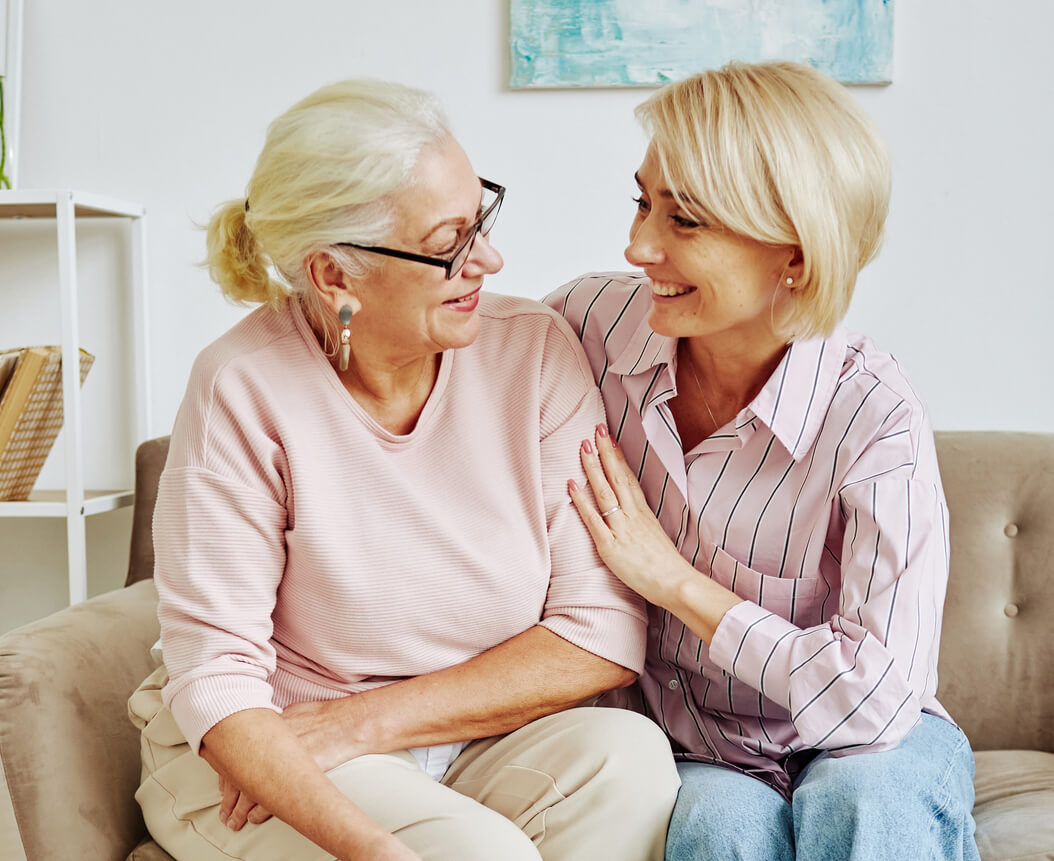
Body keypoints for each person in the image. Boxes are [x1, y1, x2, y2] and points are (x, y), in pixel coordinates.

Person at [128, 79, 680, 861]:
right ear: (334, 275)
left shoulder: (533, 352)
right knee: (479, 853)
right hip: (265, 754)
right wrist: (372, 849)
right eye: (448, 241)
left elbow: (599, 632)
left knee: (629, 762)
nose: (488, 258)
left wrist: (370, 719)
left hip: (450, 740)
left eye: (480, 217)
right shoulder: (242, 387)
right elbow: (217, 682)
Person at [546, 60, 980, 860]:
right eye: (644, 203)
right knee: (719, 829)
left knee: (864, 798)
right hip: (706, 749)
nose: (638, 244)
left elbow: (879, 699)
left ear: (795, 252)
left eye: (685, 222)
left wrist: (673, 580)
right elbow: (443, 374)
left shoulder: (875, 413)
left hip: (867, 746)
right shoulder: (588, 325)